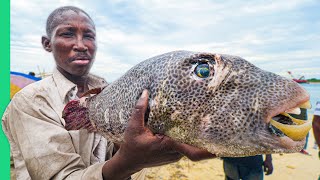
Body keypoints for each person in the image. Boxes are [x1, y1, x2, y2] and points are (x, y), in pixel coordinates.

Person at [2, 6, 214, 179]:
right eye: (67, 34)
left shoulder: (109, 91)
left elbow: (124, 144)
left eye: (88, 36)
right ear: (47, 44)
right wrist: (127, 163)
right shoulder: (31, 101)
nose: (81, 45)